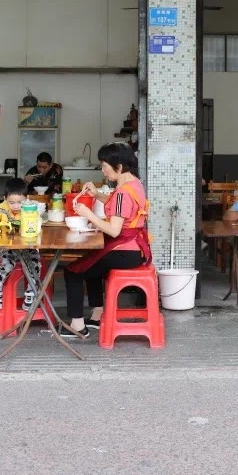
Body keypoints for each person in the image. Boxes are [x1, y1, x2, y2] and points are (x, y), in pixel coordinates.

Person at [61, 143, 152, 339]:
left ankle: (77, 326)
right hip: (134, 250)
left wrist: (88, 214)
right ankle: (97, 314)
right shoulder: (135, 184)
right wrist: (97, 195)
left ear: (118, 167)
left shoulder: (121, 193)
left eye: (104, 166)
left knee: (73, 271)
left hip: (124, 251)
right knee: (91, 262)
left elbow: (114, 229)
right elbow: (122, 209)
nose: (102, 171)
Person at [0, 178, 42, 310]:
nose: (16, 206)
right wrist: (3, 227)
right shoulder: (0, 210)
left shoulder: (30, 209)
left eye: (20, 202)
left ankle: (31, 293)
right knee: (7, 264)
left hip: (27, 247)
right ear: (5, 199)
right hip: (8, 248)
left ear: (27, 198)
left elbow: (38, 225)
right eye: (11, 202)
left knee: (34, 262)